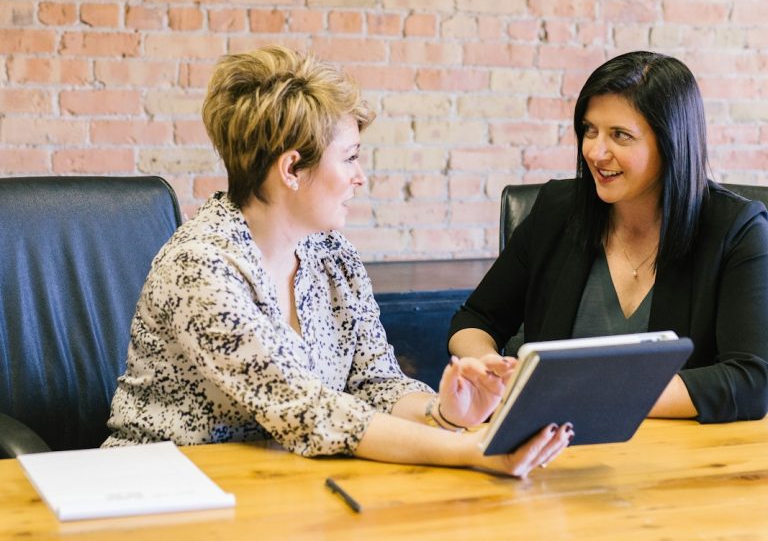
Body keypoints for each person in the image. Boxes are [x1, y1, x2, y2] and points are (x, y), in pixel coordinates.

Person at [104, 46, 572, 477]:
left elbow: (375, 382)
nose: (360, 178)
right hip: (161, 489)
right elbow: (308, 410)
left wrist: (445, 413)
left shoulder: (332, 255)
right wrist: (473, 450)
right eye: (349, 158)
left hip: (281, 485)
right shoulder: (200, 267)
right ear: (291, 169)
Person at [449, 50, 768, 424]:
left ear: (671, 144)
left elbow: (751, 380)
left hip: (677, 458)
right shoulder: (557, 209)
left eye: (620, 135)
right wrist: (486, 370)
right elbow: (475, 318)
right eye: (589, 130)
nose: (596, 152)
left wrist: (589, 394)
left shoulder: (736, 230)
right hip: (550, 448)